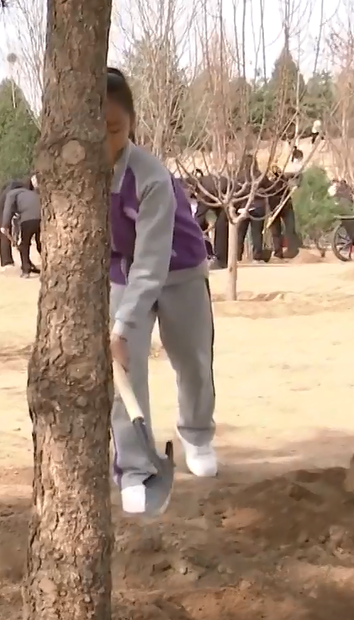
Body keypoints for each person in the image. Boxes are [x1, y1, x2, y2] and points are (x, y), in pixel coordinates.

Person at [105, 68, 218, 516]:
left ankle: (197, 434)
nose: (105, 141)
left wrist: (121, 324)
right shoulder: (76, 173)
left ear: (131, 123)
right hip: (122, 273)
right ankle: (135, 468)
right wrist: (119, 329)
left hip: (178, 269)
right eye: (95, 130)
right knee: (123, 370)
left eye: (115, 128)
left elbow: (151, 262)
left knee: (193, 360)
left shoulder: (149, 176)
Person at [0, 177, 42, 277]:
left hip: (27, 220)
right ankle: (47, 266)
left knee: (24, 245)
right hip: (42, 218)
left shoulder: (11, 194)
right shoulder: (33, 193)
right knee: (40, 244)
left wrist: (5, 225)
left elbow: (8, 209)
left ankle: (26, 270)